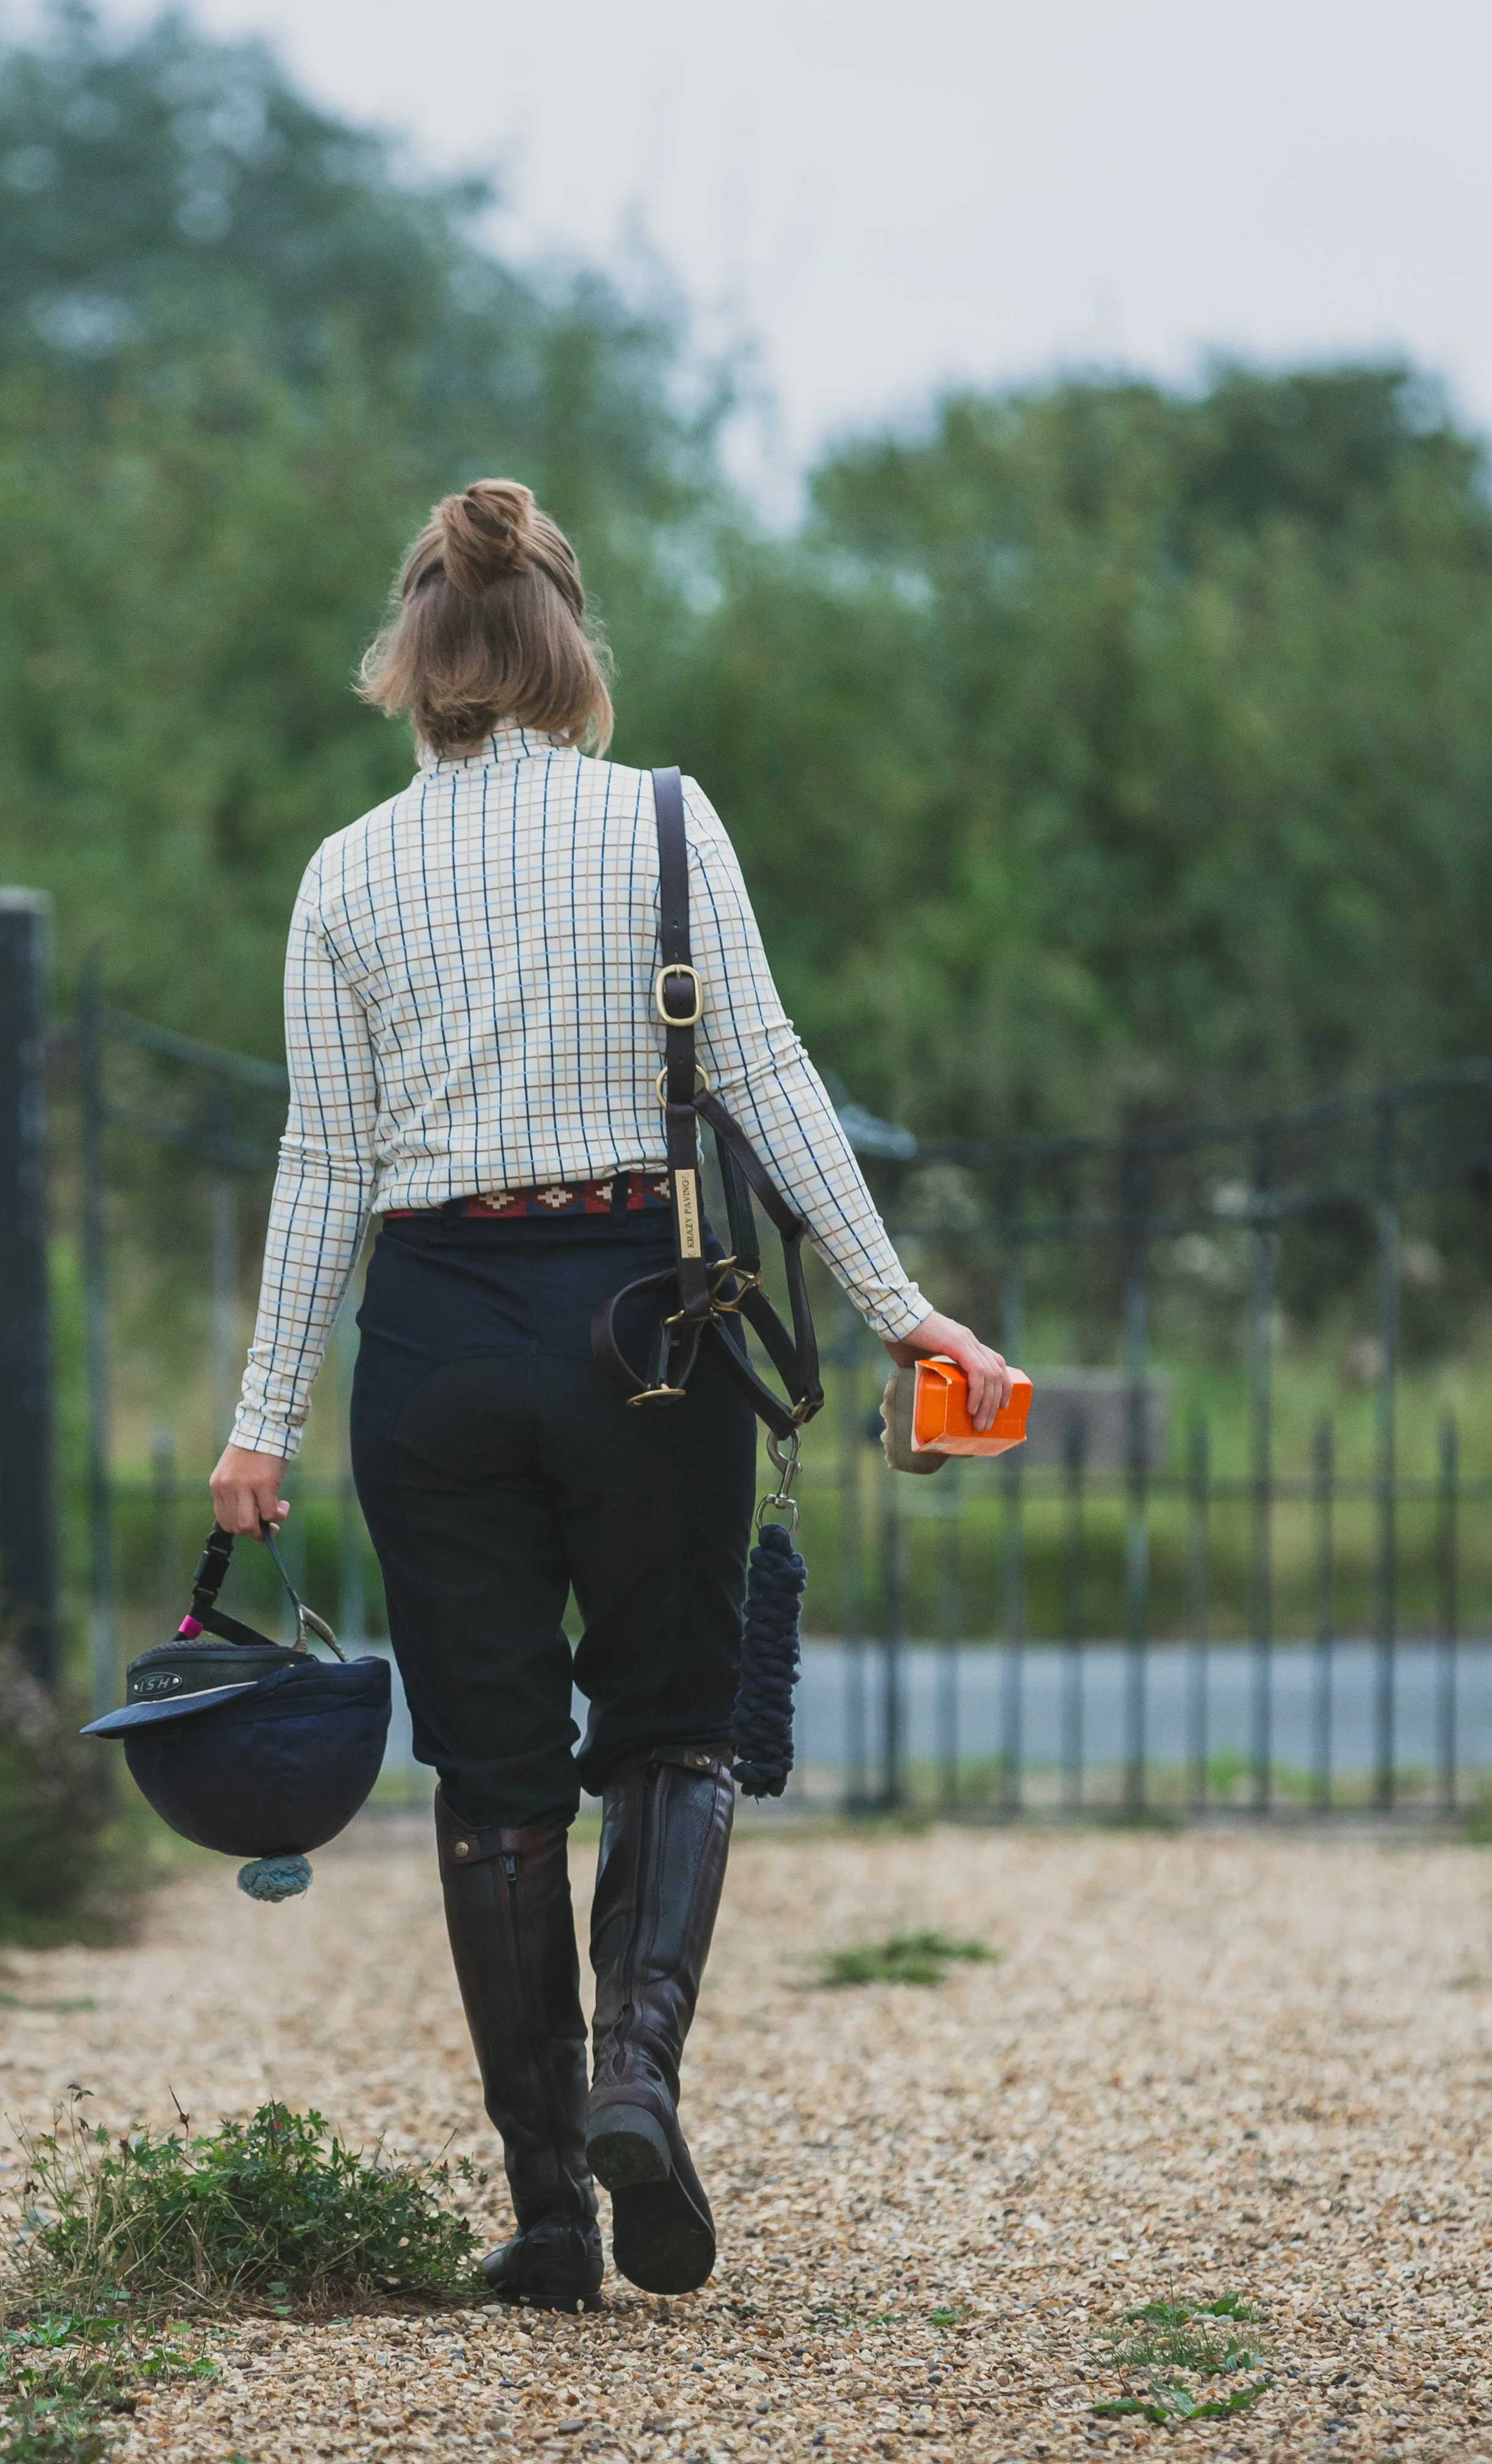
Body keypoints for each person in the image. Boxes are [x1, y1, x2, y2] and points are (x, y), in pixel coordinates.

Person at [210, 479, 1007, 2310]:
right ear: (571, 649)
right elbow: (770, 1072)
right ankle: (638, 2070)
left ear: (412, 664)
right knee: (670, 1721)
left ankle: (554, 2206)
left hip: (428, 1342)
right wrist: (903, 1312)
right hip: (641, 1330)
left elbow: (319, 1162)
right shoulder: (662, 822)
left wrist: (262, 1419)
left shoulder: (345, 870)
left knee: (492, 1776)